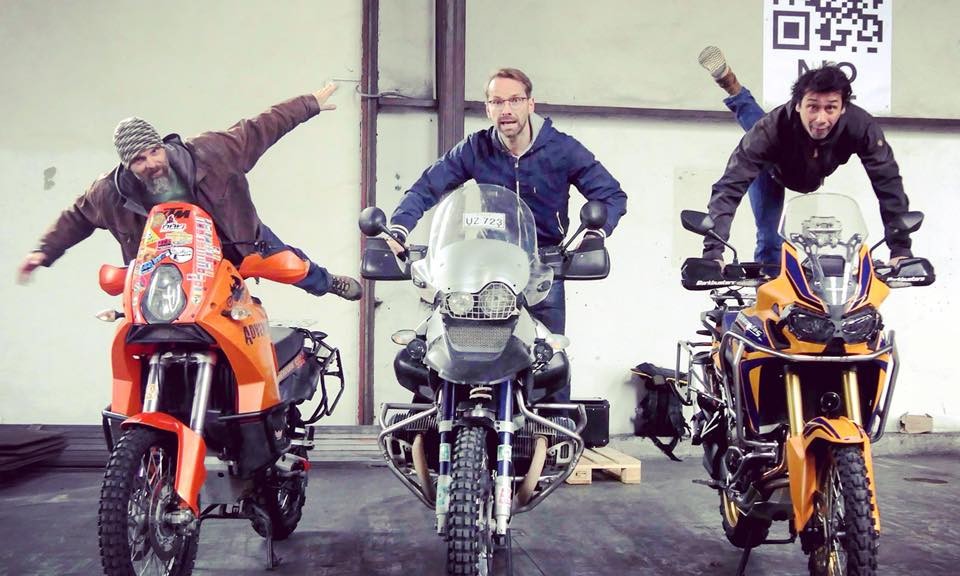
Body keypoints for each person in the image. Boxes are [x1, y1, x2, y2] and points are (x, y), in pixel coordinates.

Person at [386, 67, 628, 401]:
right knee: (442, 350)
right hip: (486, 265)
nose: (506, 109)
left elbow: (611, 195)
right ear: (488, 108)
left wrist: (594, 234)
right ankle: (431, 423)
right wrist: (399, 227)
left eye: (515, 100)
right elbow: (428, 186)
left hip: (543, 267)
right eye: (497, 102)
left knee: (549, 361)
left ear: (531, 104)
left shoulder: (562, 149)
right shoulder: (476, 148)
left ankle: (555, 430)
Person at [18, 83, 362, 300]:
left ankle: (327, 281)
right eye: (139, 160)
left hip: (238, 243)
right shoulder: (109, 192)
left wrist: (308, 104)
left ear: (162, 145)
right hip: (165, 271)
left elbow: (260, 128)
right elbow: (76, 218)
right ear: (126, 165)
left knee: (294, 267)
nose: (151, 163)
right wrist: (43, 252)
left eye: (154, 151)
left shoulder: (212, 152)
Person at [697, 47, 912, 265]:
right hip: (771, 171)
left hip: (809, 173)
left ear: (843, 108)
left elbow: (888, 182)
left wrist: (900, 249)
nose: (820, 119)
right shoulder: (770, 129)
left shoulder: (861, 127)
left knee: (758, 125)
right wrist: (713, 253)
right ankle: (730, 85)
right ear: (798, 105)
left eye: (830, 108)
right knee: (770, 239)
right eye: (812, 107)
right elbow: (730, 185)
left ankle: (732, 85)